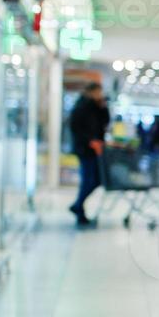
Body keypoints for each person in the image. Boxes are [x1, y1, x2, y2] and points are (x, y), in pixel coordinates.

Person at [67, 81, 109, 227]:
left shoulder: (96, 106)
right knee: (89, 180)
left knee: (97, 179)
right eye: (98, 92)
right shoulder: (81, 106)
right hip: (85, 149)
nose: (100, 94)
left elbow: (104, 123)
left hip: (95, 149)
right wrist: (90, 141)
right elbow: (76, 128)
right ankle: (79, 209)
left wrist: (103, 107)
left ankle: (78, 205)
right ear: (91, 92)